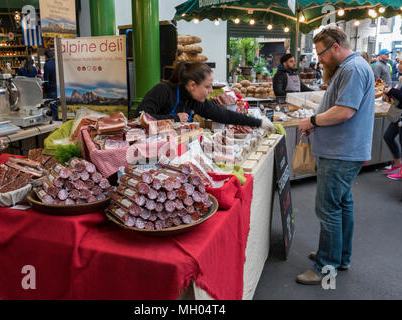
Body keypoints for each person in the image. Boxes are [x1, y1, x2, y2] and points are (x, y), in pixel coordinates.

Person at [297, 25, 375, 285]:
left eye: (321, 53)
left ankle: (324, 266)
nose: (319, 59)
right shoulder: (351, 67)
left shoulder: (352, 69)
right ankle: (339, 256)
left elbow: (344, 112)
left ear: (336, 48)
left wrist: (312, 120)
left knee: (328, 208)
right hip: (343, 150)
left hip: (340, 152)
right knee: (342, 205)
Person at [137, 62, 275, 131]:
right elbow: (139, 117)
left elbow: (224, 115)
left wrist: (259, 122)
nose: (210, 91)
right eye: (207, 86)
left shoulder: (195, 101)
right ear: (192, 85)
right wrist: (174, 119)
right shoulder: (164, 90)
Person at [382, 53, 402, 180]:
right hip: (399, 114)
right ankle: (398, 163)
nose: (398, 65)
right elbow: (399, 98)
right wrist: (389, 97)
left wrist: (391, 91)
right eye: (399, 62)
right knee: (388, 136)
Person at [43, 49, 58, 120]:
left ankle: (58, 123)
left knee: (54, 107)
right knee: (59, 107)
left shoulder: (47, 64)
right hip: (59, 87)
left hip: (51, 89)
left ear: (46, 56)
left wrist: (46, 90)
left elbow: (46, 79)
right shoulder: (58, 62)